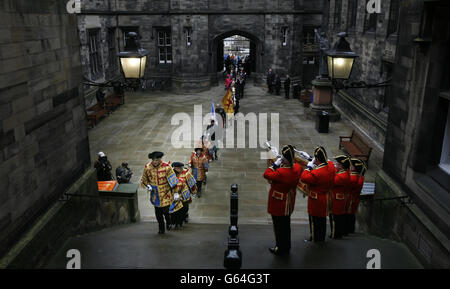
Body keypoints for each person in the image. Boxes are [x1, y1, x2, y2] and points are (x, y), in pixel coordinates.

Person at [263, 145, 303, 256]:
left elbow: (266, 174)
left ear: (285, 159)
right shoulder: (297, 167)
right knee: (286, 226)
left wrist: (275, 164)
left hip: (279, 203)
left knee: (279, 227)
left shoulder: (281, 172)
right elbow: (291, 166)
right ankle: (286, 246)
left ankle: (280, 248)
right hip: (289, 201)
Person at [300, 146, 336, 242]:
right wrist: (310, 158)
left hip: (315, 200)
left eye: (315, 159)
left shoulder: (317, 173)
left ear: (317, 159)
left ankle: (315, 239)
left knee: (314, 220)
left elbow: (304, 177)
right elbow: (327, 161)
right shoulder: (331, 166)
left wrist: (308, 166)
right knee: (322, 220)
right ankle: (321, 238)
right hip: (325, 197)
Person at [141, 151, 178, 234]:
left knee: (165, 211)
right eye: (153, 160)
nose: (155, 162)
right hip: (155, 194)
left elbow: (173, 181)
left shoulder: (167, 167)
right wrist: (148, 185)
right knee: (158, 213)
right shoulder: (147, 167)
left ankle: (168, 222)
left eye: (157, 160)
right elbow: (144, 179)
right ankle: (161, 228)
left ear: (160, 159)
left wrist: (175, 193)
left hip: (166, 193)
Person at [329, 155, 351, 239]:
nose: (335, 165)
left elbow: (331, 182)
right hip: (338, 199)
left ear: (341, 166)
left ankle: (335, 234)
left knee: (335, 218)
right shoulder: (343, 173)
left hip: (337, 200)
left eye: (337, 164)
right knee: (337, 218)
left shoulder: (342, 176)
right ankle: (337, 233)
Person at [346, 158, 367, 234]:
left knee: (349, 216)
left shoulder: (353, 178)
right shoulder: (359, 175)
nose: (350, 167)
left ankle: (348, 230)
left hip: (351, 199)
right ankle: (350, 229)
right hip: (355, 198)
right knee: (351, 215)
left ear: (354, 167)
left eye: (351, 166)